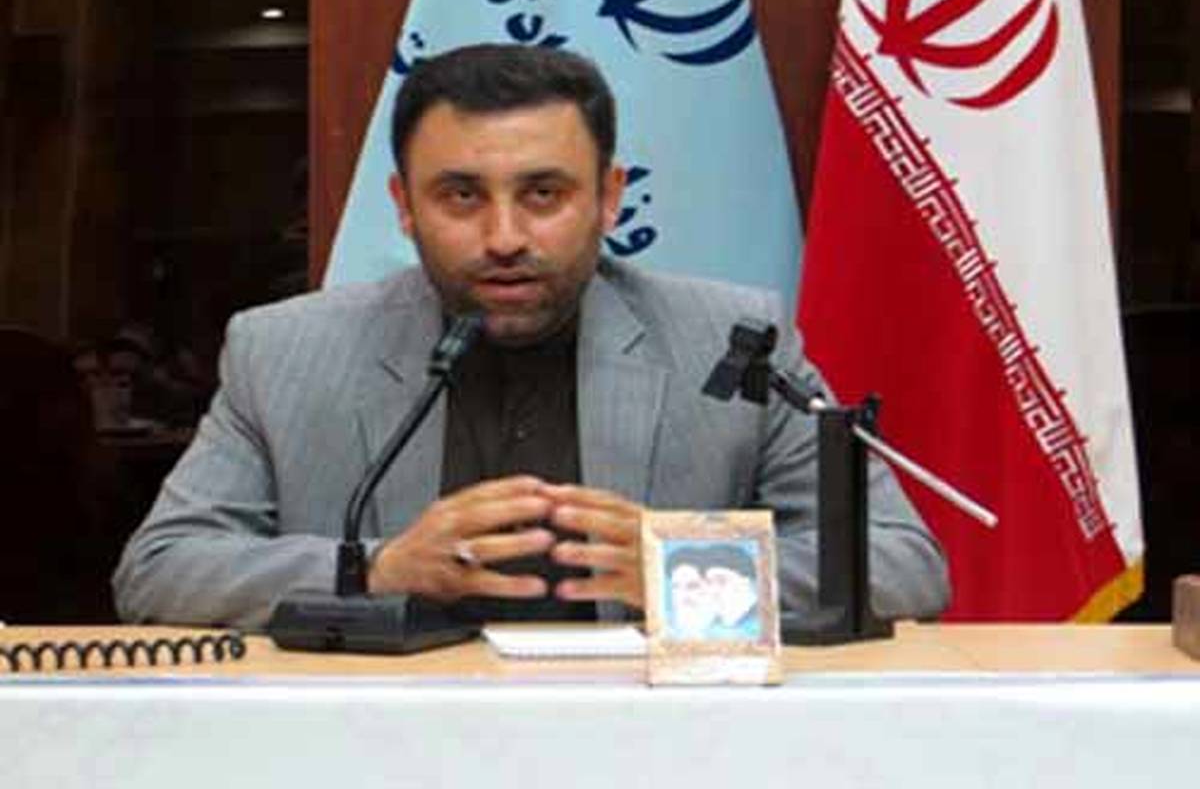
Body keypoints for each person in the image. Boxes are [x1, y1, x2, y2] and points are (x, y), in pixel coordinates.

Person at [113, 44, 949, 630]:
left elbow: (902, 564)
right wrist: (373, 569)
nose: (505, 237)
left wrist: (680, 568)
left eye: (544, 193)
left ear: (609, 198)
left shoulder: (727, 340)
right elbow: (161, 570)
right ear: (403, 206)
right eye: (461, 196)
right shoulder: (284, 351)